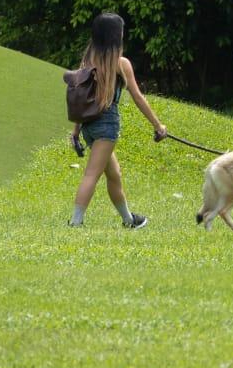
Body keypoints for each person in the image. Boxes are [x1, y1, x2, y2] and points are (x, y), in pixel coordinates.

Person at [68, 13, 167, 227]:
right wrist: (158, 125)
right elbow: (138, 98)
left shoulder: (87, 61)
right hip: (106, 125)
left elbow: (81, 101)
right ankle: (75, 222)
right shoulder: (120, 63)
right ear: (115, 36)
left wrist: (76, 131)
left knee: (114, 174)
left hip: (88, 125)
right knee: (91, 175)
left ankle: (129, 220)